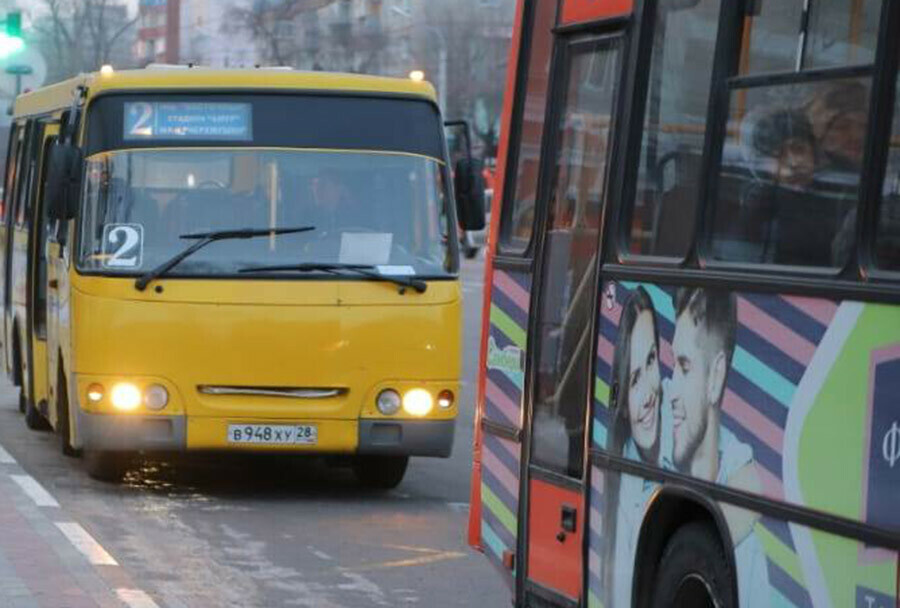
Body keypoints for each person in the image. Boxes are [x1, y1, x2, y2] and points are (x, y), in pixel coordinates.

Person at [670, 287, 769, 607]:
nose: (670, 389)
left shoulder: (746, 554)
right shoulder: (658, 443)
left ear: (716, 377)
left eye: (684, 367)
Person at [604, 287, 673, 608]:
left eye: (651, 361)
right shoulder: (623, 490)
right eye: (633, 380)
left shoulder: (680, 406)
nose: (647, 393)